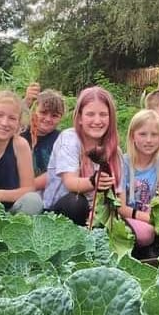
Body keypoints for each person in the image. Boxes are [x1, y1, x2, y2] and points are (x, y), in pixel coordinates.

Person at [43, 86, 121, 226]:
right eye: (90, 114)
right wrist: (93, 181)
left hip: (97, 212)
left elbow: (119, 192)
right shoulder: (70, 139)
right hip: (59, 210)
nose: (97, 121)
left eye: (103, 114)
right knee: (77, 203)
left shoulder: (113, 148)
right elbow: (71, 183)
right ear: (79, 118)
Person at [117, 110, 159, 253]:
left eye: (154, 135)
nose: (149, 140)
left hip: (154, 215)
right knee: (145, 234)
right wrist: (148, 218)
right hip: (130, 215)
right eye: (142, 134)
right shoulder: (123, 163)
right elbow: (121, 208)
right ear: (132, 136)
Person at [21, 85, 66, 193]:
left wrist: (27, 189)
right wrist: (26, 102)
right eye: (43, 113)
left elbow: (58, 171)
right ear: (33, 111)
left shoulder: (62, 139)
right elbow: (10, 119)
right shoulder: (20, 132)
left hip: (47, 191)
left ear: (61, 117)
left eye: (54, 116)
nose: (48, 119)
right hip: (17, 189)